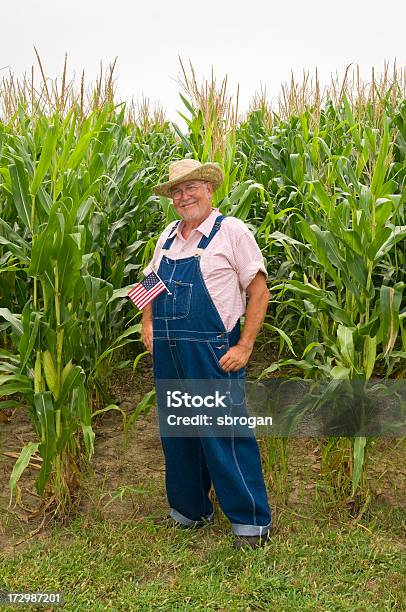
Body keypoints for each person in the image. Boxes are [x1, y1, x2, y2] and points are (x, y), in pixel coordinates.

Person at [141, 159, 272, 549]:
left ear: (209, 189)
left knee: (224, 433)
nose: (184, 196)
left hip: (214, 352)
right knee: (178, 433)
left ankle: (250, 522)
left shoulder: (229, 231)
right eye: (177, 192)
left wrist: (245, 345)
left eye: (191, 187)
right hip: (168, 350)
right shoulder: (167, 235)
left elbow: (259, 290)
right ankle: (189, 509)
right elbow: (149, 280)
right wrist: (147, 323)